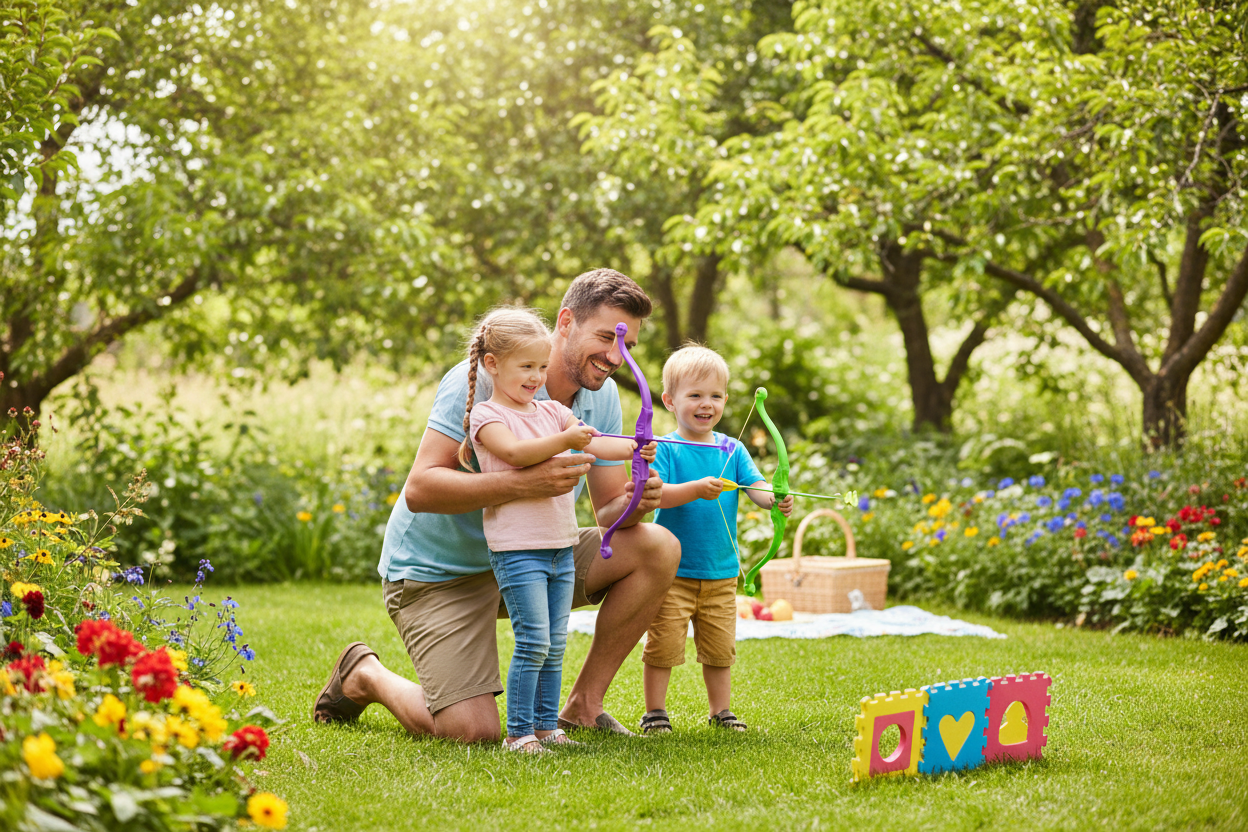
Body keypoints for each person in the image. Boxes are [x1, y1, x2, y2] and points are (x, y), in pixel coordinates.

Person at [312, 268, 679, 742]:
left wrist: (637, 501)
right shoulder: (486, 380)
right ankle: (364, 674)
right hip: (439, 576)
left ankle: (583, 708)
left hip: (535, 556)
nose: (614, 357)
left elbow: (609, 513)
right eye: (606, 337)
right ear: (565, 322)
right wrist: (524, 484)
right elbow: (422, 488)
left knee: (656, 546)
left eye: (626, 345)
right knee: (473, 732)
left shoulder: (601, 395)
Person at [461, 307, 654, 752]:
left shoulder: (550, 410)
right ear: (493, 365)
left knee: (554, 643)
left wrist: (641, 442)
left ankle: (548, 727)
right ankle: (519, 733)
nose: (536, 377)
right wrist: (568, 440)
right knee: (532, 641)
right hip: (518, 551)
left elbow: (598, 441)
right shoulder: (488, 418)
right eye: (525, 367)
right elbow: (518, 454)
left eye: (541, 367)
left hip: (559, 549)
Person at [637, 345, 793, 735]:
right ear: (670, 401)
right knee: (663, 646)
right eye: (695, 395)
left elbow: (754, 485)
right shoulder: (667, 447)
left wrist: (774, 497)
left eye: (716, 396)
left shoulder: (732, 448)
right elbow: (660, 494)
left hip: (721, 572)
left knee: (720, 650)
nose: (707, 404)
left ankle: (720, 711)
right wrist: (695, 488)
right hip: (672, 571)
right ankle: (655, 712)